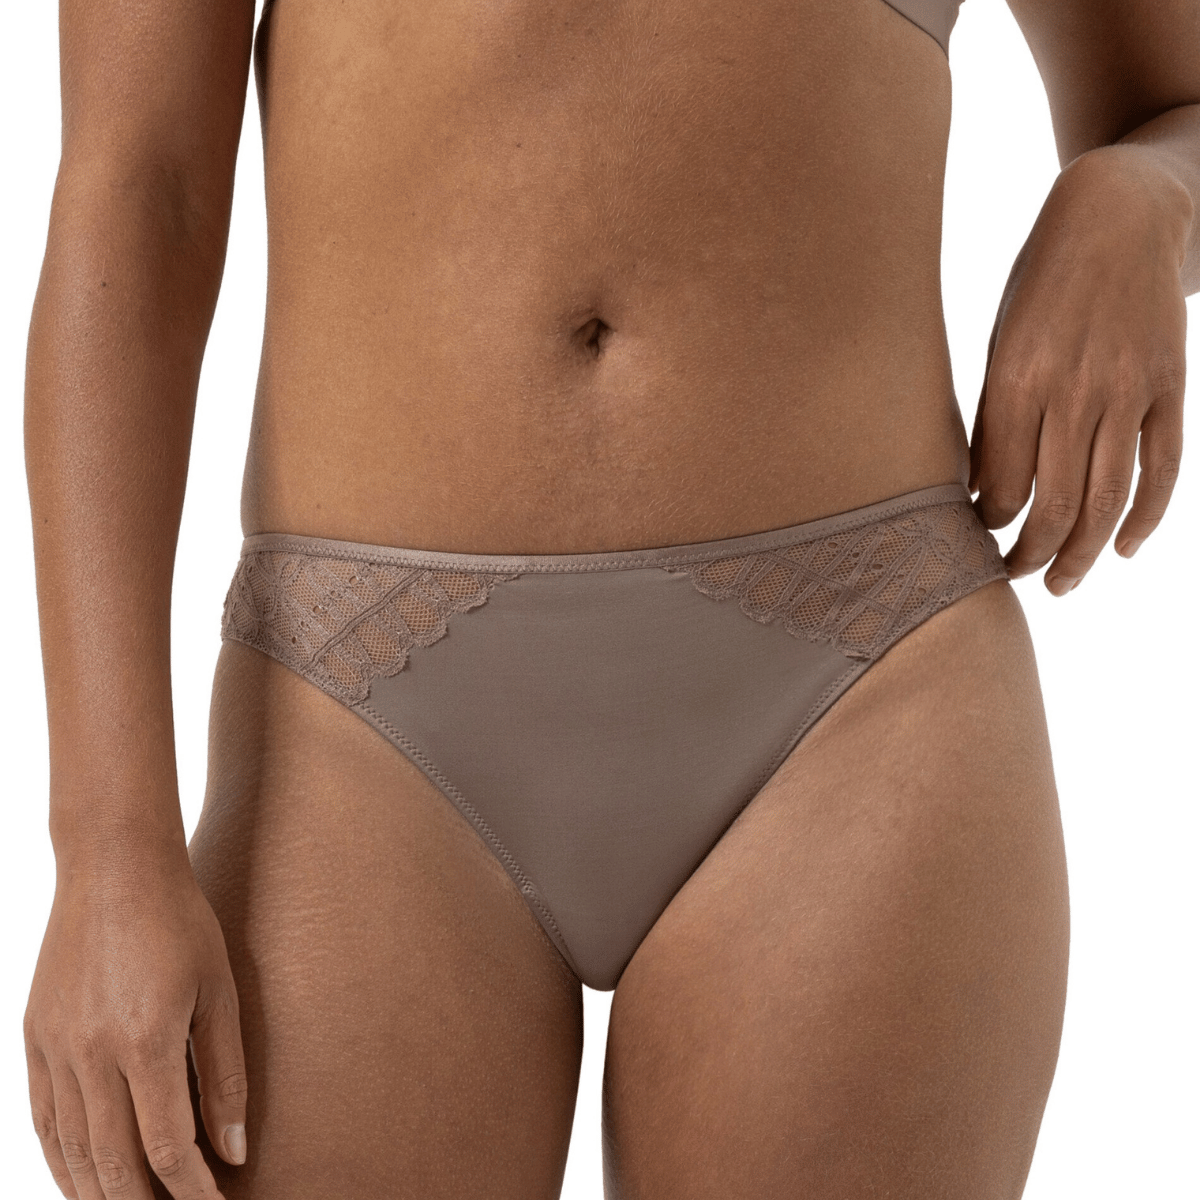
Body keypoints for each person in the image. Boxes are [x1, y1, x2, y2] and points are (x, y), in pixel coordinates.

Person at [20, 0, 1199, 1196]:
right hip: (357, 725)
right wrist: (106, 852)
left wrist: (1145, 196)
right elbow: (138, 194)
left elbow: (1180, 108)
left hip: (860, 703)